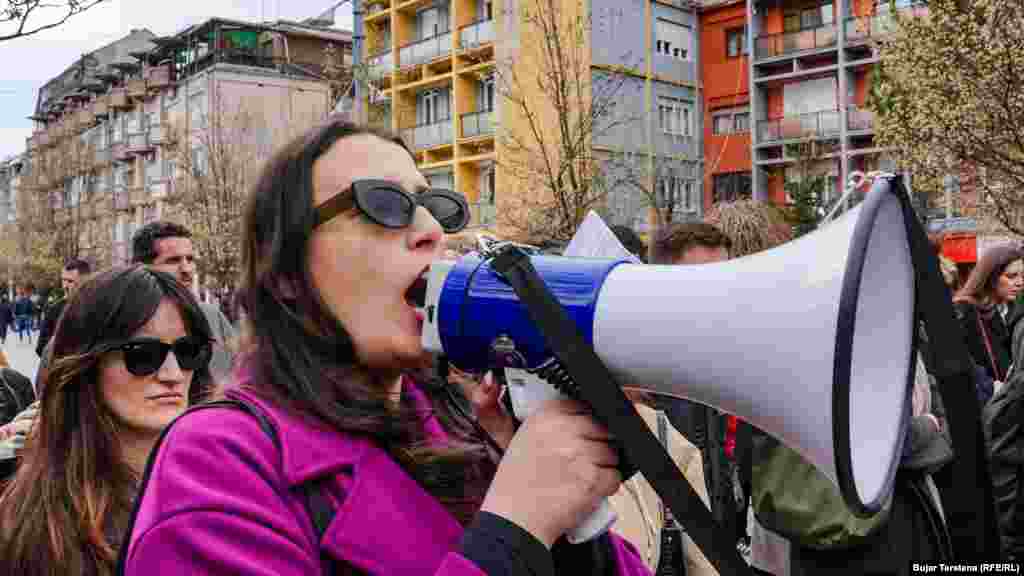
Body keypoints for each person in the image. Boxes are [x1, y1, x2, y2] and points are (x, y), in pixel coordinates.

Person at [121, 118, 649, 575]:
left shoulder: (463, 432)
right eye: (382, 204)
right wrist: (514, 529)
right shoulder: (217, 463)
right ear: (285, 272)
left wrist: (574, 523)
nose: (431, 231)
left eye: (435, 207)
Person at [0, 265, 215, 575]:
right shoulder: (32, 517)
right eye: (142, 354)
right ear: (88, 363)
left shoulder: (232, 481)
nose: (173, 374)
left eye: (188, 351)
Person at [131, 221, 237, 385]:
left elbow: (242, 372)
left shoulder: (212, 316)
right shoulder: (127, 320)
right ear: (141, 267)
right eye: (173, 260)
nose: (186, 269)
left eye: (190, 259)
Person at [953, 244, 1024, 404]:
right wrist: (990, 386)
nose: (1020, 282)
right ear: (990, 276)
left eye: (1022, 276)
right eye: (1011, 276)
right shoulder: (964, 311)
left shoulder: (1006, 310)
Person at [35, 258, 92, 358]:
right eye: (63, 280)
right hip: (61, 365)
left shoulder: (97, 308)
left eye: (70, 281)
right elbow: (41, 348)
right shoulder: (54, 310)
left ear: (86, 282)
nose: (65, 286)